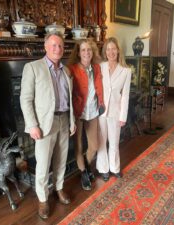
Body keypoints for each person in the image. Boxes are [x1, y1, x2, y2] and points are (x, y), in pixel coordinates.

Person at [20, 33, 75, 220]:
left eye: (60, 45)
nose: (57, 49)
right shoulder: (33, 68)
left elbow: (70, 100)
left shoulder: (66, 71)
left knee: (61, 160)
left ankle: (59, 189)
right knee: (43, 165)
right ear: (45, 46)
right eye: (53, 45)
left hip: (64, 120)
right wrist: (32, 125)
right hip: (44, 125)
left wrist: (72, 121)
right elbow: (25, 99)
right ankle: (43, 199)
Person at [67, 39, 104, 191]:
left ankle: (87, 166)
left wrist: (102, 103)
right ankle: (83, 173)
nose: (86, 52)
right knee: (79, 145)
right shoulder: (72, 69)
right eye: (83, 50)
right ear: (78, 52)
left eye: (89, 49)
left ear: (92, 51)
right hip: (78, 112)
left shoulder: (96, 68)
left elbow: (100, 87)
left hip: (93, 111)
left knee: (94, 146)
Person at [97, 37, 131, 181]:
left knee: (114, 142)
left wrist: (123, 116)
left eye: (113, 49)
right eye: (108, 49)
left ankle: (115, 168)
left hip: (116, 112)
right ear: (105, 51)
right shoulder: (100, 67)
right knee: (101, 141)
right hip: (100, 111)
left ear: (118, 51)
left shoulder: (126, 70)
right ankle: (104, 169)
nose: (111, 52)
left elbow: (125, 95)